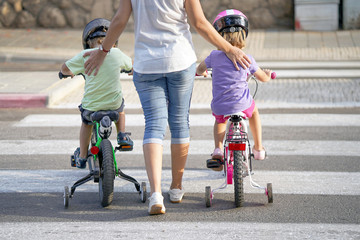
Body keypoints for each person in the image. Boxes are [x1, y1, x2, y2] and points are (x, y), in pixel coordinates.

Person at [83, 0, 251, 215]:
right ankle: (176, 187)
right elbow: (199, 23)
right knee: (180, 123)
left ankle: (155, 195)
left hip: (146, 64)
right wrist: (228, 49)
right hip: (180, 60)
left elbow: (119, 20)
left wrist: (103, 50)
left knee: (154, 125)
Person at [196, 9, 272, 171]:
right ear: (244, 34)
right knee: (255, 111)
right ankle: (258, 148)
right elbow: (262, 78)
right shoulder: (247, 59)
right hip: (242, 105)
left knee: (220, 120)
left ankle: (218, 148)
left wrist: (201, 72)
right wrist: (267, 74)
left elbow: (200, 68)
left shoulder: (213, 56)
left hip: (220, 106)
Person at [60, 18, 133, 169]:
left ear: (89, 43)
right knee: (121, 108)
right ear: (113, 42)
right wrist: (131, 71)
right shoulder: (117, 53)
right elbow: (132, 67)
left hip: (91, 107)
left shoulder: (85, 55)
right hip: (113, 104)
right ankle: (122, 135)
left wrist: (67, 73)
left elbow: (65, 68)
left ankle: (82, 156)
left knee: (86, 123)